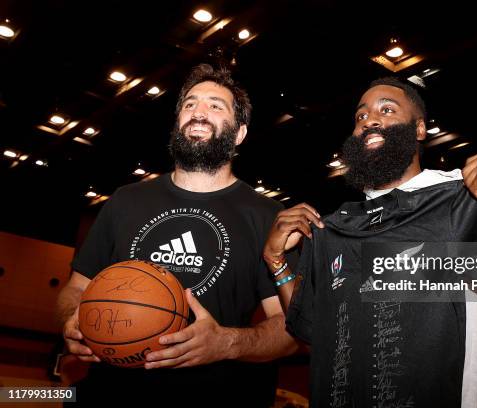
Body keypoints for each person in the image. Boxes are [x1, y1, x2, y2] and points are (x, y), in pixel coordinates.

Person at [263, 77, 477, 407]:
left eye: (387, 109)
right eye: (360, 116)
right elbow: (316, 334)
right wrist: (276, 262)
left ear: (419, 129)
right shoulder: (335, 227)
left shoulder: (469, 198)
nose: (369, 119)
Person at [56, 64, 298, 406]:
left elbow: (291, 330)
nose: (198, 112)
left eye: (216, 105)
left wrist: (226, 342)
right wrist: (72, 321)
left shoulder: (268, 216)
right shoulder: (126, 200)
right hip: (109, 393)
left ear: (240, 133)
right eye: (189, 104)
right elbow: (76, 289)